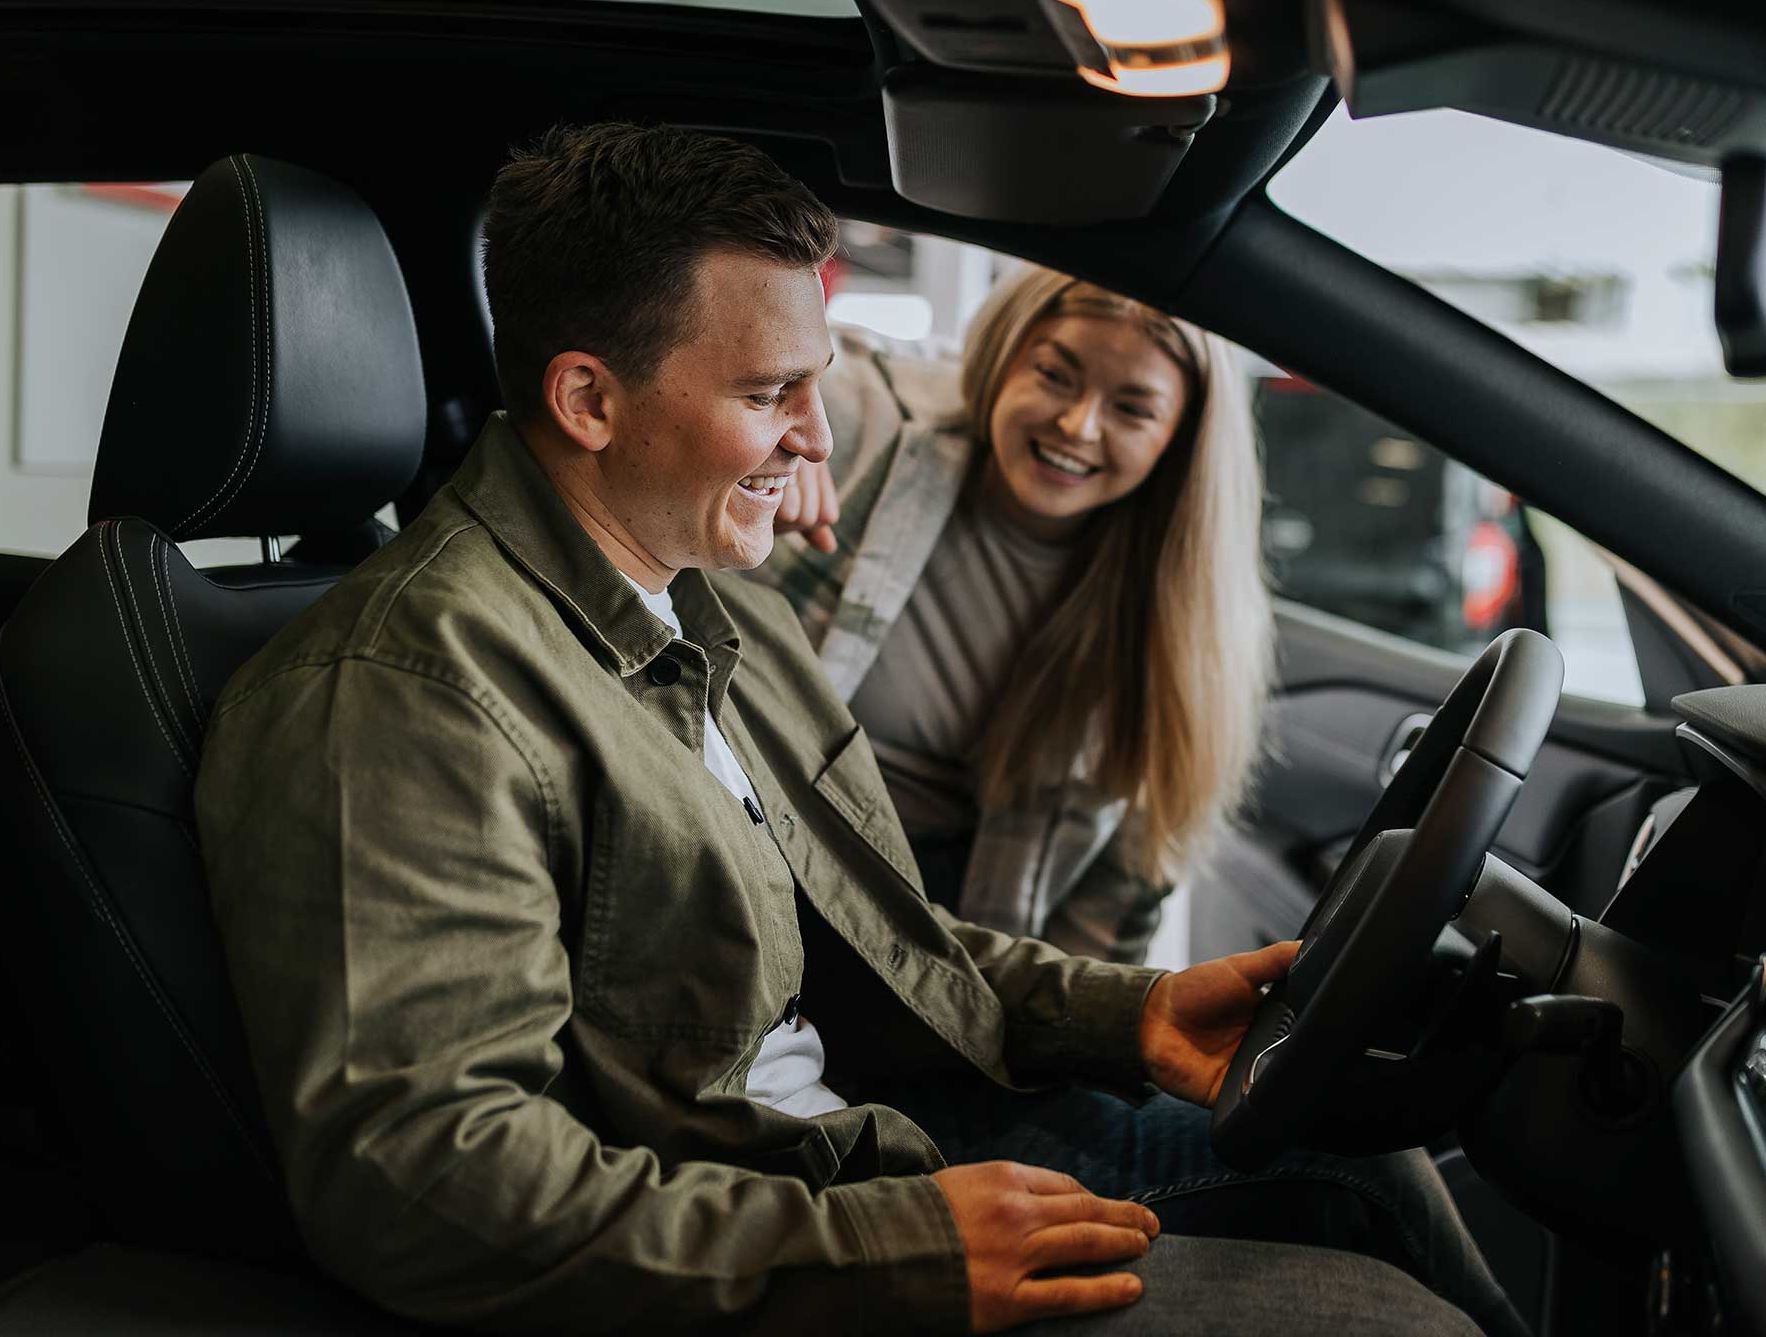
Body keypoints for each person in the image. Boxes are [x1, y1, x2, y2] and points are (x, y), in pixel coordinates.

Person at [195, 121, 1520, 1336]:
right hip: (788, 1237)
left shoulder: (719, 605)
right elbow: (424, 1181)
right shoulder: (413, 692)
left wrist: (1135, 1013)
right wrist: (886, 1249)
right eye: (771, 394)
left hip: (864, 1165)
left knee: (1358, 1156)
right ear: (591, 403)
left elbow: (889, 938)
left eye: (816, 387)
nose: (815, 441)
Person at [759, 268, 1271, 966]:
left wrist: (1079, 1038)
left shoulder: (1179, 624)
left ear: (1179, 441)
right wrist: (775, 413)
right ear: (1005, 358)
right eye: (1056, 376)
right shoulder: (866, 425)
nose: (1077, 425)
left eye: (1132, 409)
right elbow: (721, 360)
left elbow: (1114, 913)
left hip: (958, 944)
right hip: (768, 854)